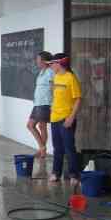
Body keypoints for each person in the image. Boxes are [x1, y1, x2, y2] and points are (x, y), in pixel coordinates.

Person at [48, 53, 82, 186]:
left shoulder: (71, 78)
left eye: (52, 64)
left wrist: (71, 117)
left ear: (59, 64)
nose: (51, 66)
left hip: (66, 118)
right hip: (54, 117)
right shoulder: (56, 77)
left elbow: (78, 99)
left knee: (69, 148)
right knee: (57, 148)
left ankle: (74, 175)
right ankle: (56, 173)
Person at [27, 51, 54, 177]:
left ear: (44, 61)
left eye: (38, 59)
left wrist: (53, 104)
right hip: (38, 103)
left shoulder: (50, 72)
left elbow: (53, 88)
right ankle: (42, 148)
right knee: (30, 125)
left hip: (45, 103)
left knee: (41, 126)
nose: (36, 61)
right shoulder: (41, 72)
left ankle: (42, 150)